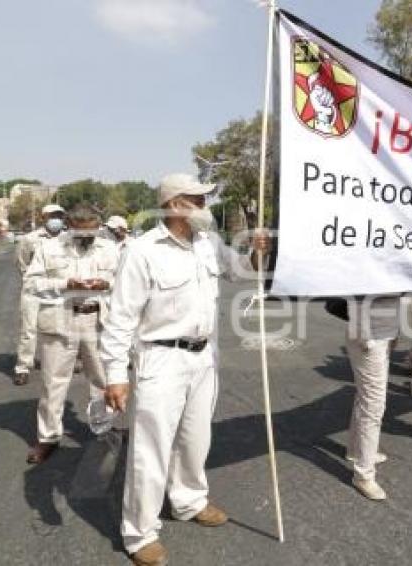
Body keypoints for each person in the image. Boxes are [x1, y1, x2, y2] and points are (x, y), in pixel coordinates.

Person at [100, 173, 270, 566]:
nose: (206, 207)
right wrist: (114, 374)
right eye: (198, 200)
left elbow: (241, 271)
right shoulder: (143, 251)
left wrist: (257, 253)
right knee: (151, 447)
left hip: (203, 357)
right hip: (160, 359)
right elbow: (120, 317)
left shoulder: (209, 243)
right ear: (175, 205)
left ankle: (189, 501)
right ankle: (140, 533)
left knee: (196, 438)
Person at [23, 204, 119, 464]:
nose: (87, 237)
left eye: (92, 231)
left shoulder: (110, 248)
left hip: (97, 320)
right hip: (60, 320)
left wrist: (106, 283)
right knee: (53, 382)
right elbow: (31, 283)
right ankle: (48, 438)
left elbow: (125, 282)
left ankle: (104, 429)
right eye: (81, 232)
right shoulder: (50, 248)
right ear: (69, 226)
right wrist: (65, 284)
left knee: (102, 380)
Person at [345, 296, 399, 501]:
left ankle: (356, 451)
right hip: (369, 338)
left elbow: (398, 298)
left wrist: (395, 331)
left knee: (365, 398)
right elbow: (355, 295)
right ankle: (363, 474)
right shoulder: (364, 265)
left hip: (383, 334)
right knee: (373, 405)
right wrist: (365, 338)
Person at [13, 203, 66, 385]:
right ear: (43, 218)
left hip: (59, 291)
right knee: (29, 330)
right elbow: (22, 263)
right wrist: (33, 283)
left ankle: (56, 364)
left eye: (59, 216)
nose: (56, 220)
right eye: (52, 216)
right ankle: (23, 367)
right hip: (34, 291)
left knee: (57, 329)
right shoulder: (30, 239)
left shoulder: (67, 239)